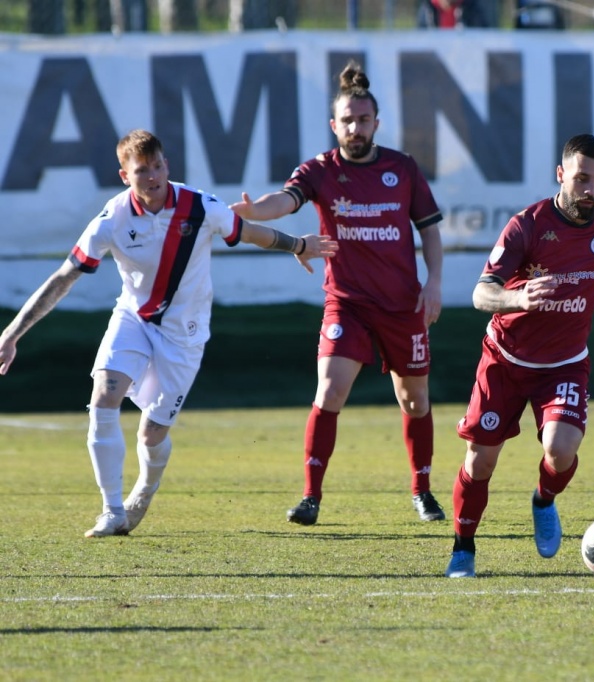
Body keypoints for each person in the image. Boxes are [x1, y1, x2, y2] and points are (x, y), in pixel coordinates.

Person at [0, 129, 337, 538]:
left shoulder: (198, 206)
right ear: (126, 176)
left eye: (158, 166)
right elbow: (63, 278)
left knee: (151, 432)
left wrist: (297, 244)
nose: (153, 176)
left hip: (185, 333)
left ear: (167, 166)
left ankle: (144, 491)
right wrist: (12, 334)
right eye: (142, 170)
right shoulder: (112, 220)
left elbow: (247, 232)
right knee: (104, 397)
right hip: (134, 319)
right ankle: (111, 511)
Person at [230, 61, 446, 526]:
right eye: (347, 120)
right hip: (346, 302)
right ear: (335, 125)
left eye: (363, 120)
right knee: (329, 389)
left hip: (401, 304)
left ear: (376, 123)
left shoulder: (402, 169)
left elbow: (428, 230)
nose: (355, 127)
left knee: (415, 401)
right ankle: (311, 497)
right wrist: (256, 212)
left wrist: (434, 283)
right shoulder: (321, 171)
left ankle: (423, 490)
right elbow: (285, 200)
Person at [444, 133, 594, 578]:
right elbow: (482, 293)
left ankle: (544, 500)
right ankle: (463, 548)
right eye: (581, 178)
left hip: (564, 363)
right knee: (481, 461)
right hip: (505, 359)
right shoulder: (527, 225)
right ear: (561, 174)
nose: (590, 190)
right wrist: (517, 301)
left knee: (561, 449)